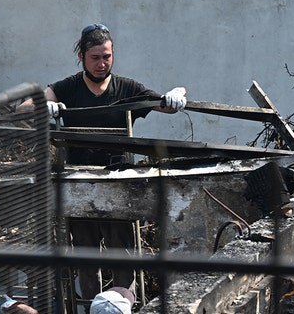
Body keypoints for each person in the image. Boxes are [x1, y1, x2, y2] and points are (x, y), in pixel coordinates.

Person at [17, 23, 187, 301]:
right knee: (85, 260)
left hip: (118, 184)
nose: (101, 63)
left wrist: (176, 95)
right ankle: (88, 307)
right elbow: (20, 109)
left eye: (106, 56)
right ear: (82, 57)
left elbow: (164, 104)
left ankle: (123, 307)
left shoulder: (127, 88)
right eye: (95, 57)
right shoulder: (68, 88)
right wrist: (41, 106)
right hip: (79, 183)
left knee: (123, 258)